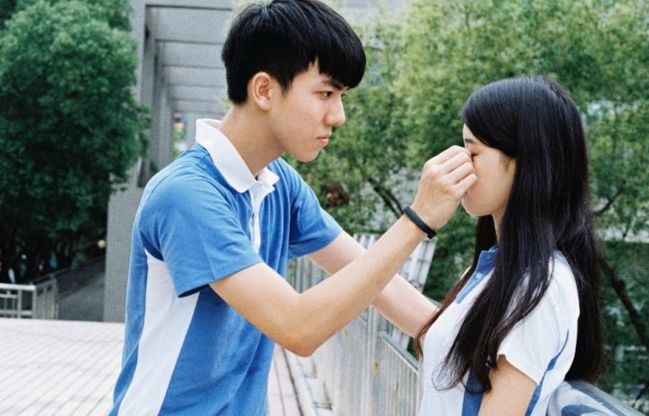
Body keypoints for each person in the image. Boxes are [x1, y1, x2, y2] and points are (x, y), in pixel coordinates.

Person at [109, 1, 476, 415]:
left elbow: (378, 281)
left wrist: (478, 348)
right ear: (264, 90)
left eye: (341, 96)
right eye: (326, 93)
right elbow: (298, 327)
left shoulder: (279, 184)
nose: (338, 116)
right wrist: (417, 220)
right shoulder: (186, 195)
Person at [414, 77, 605, 415]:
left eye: (473, 151)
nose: (460, 163)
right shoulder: (502, 270)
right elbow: (443, 332)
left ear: (523, 162)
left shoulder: (541, 287)